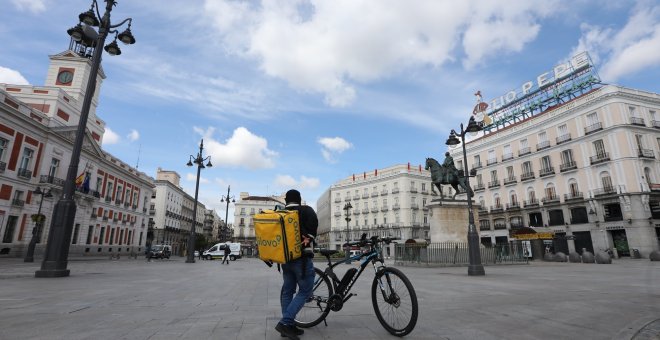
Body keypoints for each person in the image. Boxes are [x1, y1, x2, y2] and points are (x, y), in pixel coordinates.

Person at [275, 189, 318, 340]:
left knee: (288, 291)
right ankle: (285, 323)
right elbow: (313, 226)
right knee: (305, 291)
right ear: (299, 199)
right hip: (302, 259)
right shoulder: (306, 210)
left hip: (285, 259)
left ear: (286, 200)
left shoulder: (280, 213)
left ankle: (289, 326)